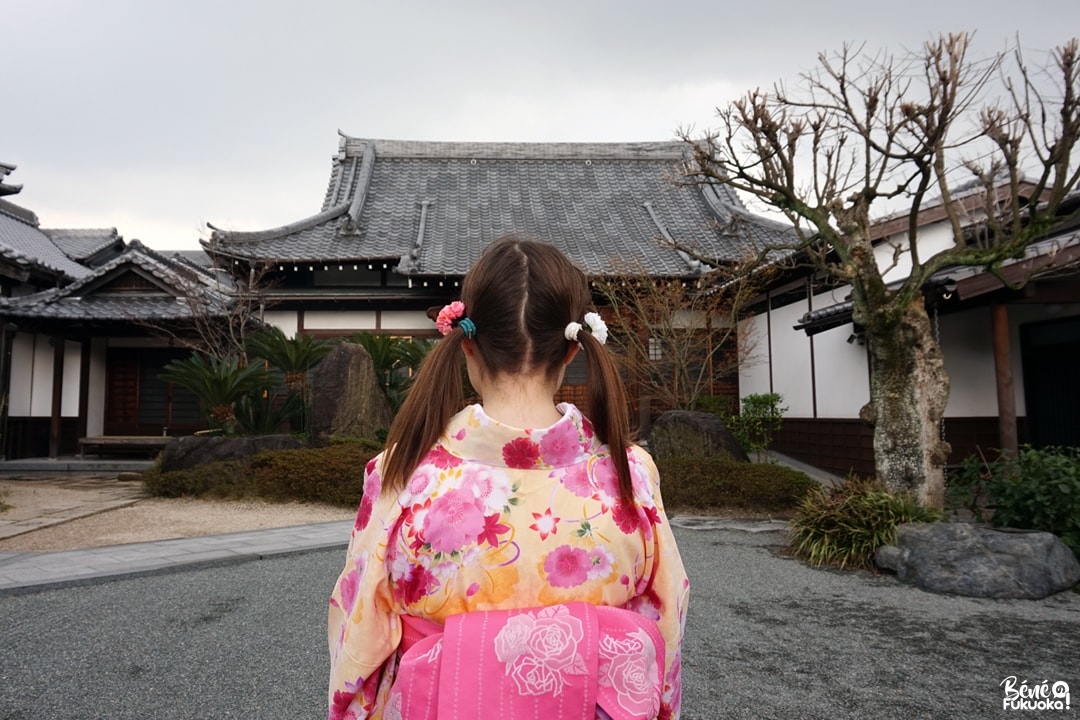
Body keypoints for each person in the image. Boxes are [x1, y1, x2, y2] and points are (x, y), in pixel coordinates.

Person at [328, 235, 689, 720]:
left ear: (468, 345)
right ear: (569, 352)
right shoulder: (631, 474)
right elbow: (665, 620)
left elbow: (360, 634)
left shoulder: (403, 476)